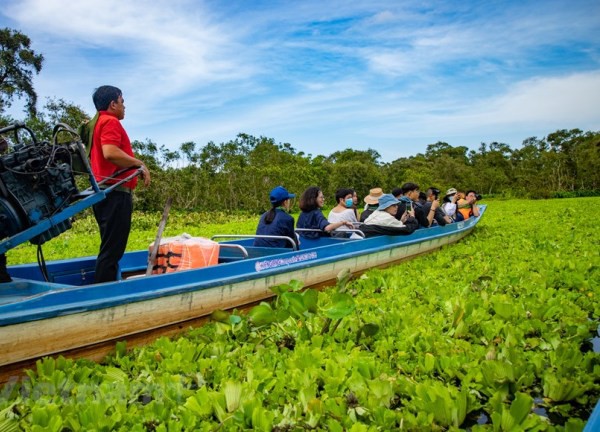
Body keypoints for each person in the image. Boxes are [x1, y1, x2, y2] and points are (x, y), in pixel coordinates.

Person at [90, 85, 150, 283]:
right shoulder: (110, 122)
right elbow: (110, 152)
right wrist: (139, 164)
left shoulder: (97, 123)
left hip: (104, 192)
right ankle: (104, 294)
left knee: (109, 247)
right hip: (115, 192)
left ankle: (106, 287)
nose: (125, 106)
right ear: (112, 104)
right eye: (122, 102)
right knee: (112, 250)